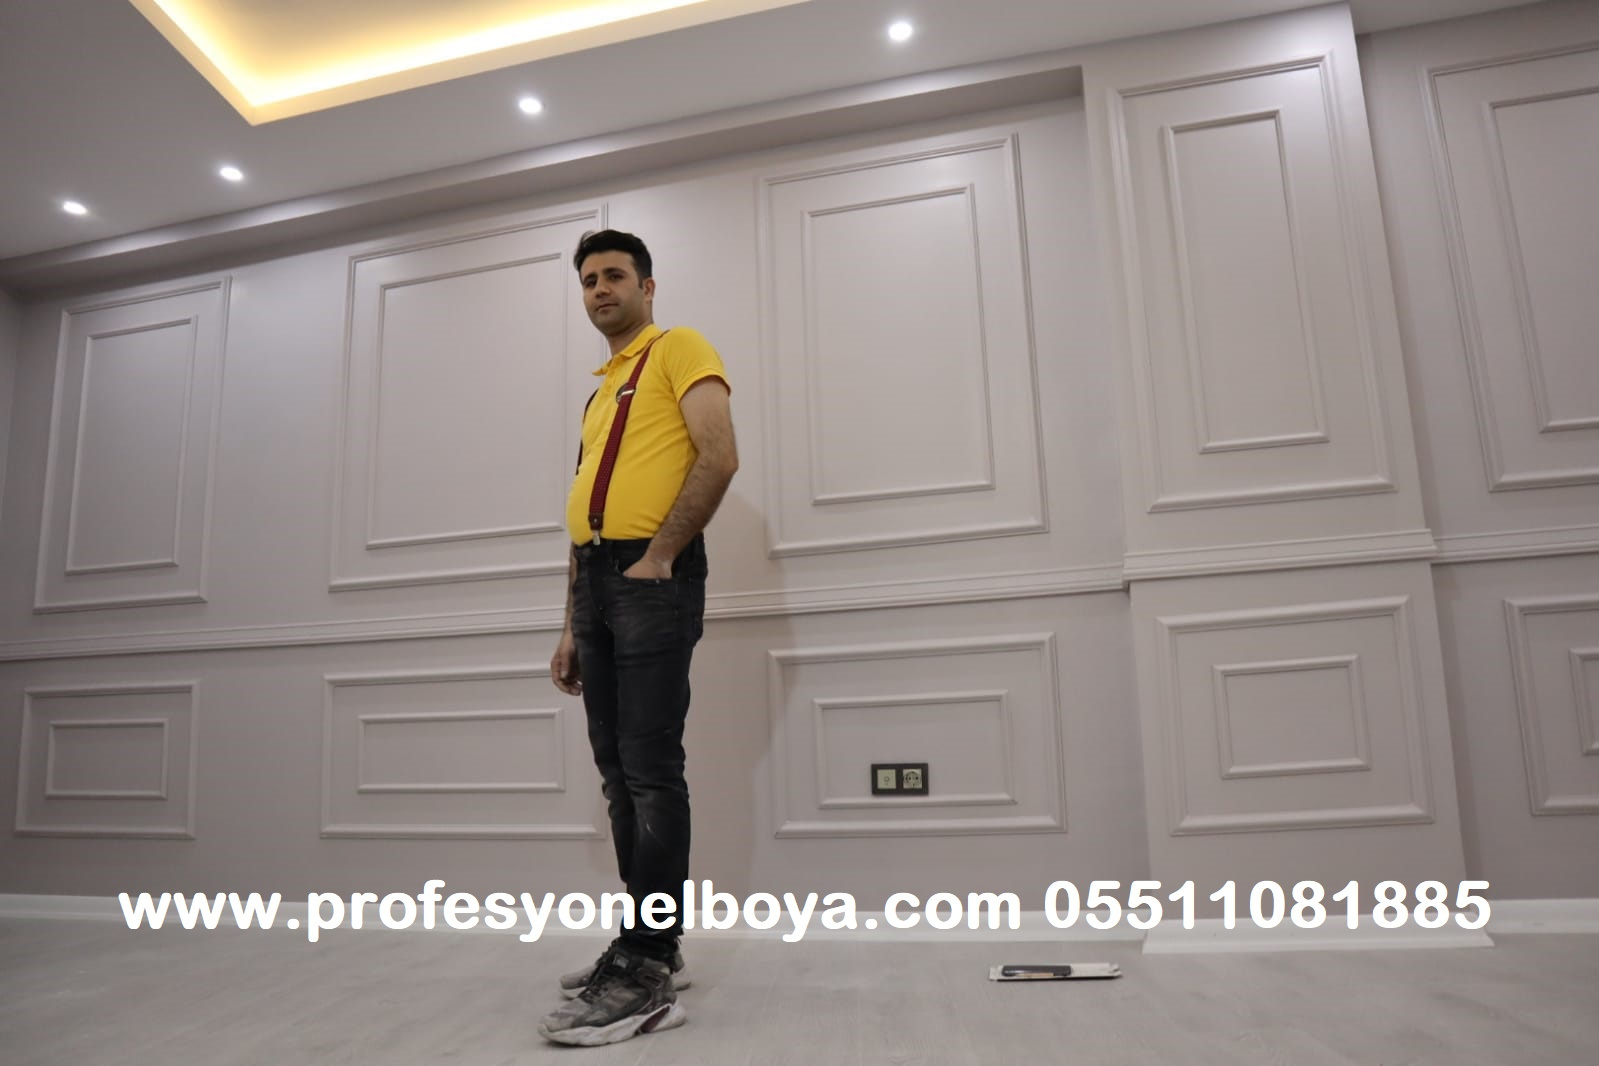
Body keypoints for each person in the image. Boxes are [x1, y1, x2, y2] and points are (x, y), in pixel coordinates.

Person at [538, 229, 738, 1047]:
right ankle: (647, 942)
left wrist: (659, 555)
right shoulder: (600, 394)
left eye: (614, 275)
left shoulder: (677, 348)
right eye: (588, 279)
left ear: (646, 286)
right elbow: (585, 510)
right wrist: (569, 622)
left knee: (651, 773)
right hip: (596, 581)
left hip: (651, 577)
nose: (599, 289)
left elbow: (718, 457)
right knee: (618, 775)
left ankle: (647, 968)